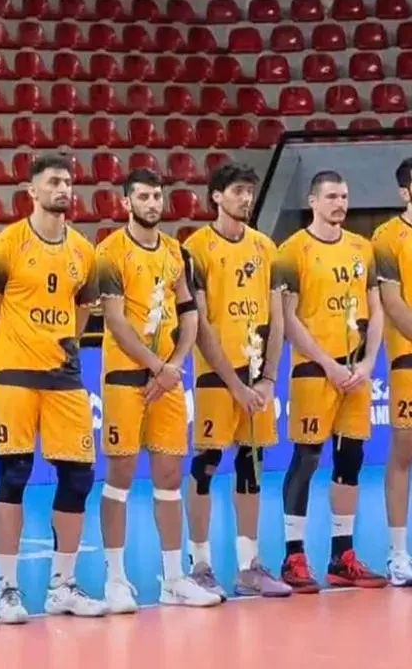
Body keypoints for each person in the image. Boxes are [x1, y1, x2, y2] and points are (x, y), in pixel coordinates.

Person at [0, 154, 106, 624]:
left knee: (79, 477)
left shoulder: (84, 251)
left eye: (68, 181)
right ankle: (6, 589)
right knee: (14, 474)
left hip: (63, 376)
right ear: (32, 191)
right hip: (14, 374)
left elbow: (83, 308)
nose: (63, 189)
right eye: (53, 182)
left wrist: (63, 343)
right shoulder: (4, 247)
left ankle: (62, 585)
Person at [96, 168, 221, 612]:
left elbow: (189, 313)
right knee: (121, 475)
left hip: (167, 378)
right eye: (144, 197)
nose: (153, 203)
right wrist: (155, 367)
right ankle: (115, 578)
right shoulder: (110, 252)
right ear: (126, 202)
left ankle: (173, 579)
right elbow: (115, 321)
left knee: (169, 476)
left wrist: (175, 364)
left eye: (157, 196)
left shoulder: (175, 251)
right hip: (125, 378)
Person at [181, 163, 293, 599]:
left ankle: (249, 565)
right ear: (216, 196)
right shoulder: (196, 248)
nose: (246, 198)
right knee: (205, 466)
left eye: (250, 191)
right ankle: (200, 563)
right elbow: (201, 325)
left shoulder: (266, 247)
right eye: (238, 191)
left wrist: (267, 379)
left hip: (256, 377)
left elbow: (277, 320)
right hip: (216, 376)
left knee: (251, 467)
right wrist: (234, 384)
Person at [276, 170, 387, 591]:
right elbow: (288, 318)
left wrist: (368, 361)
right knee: (306, 458)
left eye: (344, 196)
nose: (340, 203)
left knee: (351, 459)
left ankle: (343, 556)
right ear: (312, 201)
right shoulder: (293, 251)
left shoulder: (362, 248)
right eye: (331, 197)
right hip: (314, 369)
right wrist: (327, 363)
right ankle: (294, 557)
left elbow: (376, 308)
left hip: (356, 372)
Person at [370, 158, 412, 585]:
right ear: (405, 192)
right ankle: (398, 554)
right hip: (408, 357)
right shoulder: (386, 237)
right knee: (404, 451)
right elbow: (393, 303)